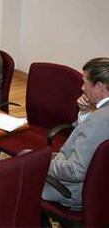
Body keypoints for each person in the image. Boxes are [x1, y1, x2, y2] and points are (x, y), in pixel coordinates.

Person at [42, 57, 109, 210]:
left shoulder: (99, 121)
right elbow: (89, 139)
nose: (82, 88)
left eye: (85, 82)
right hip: (102, 187)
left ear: (99, 86)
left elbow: (75, 171)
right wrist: (85, 113)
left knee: (19, 170)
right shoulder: (99, 117)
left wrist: (43, 164)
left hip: (73, 192)